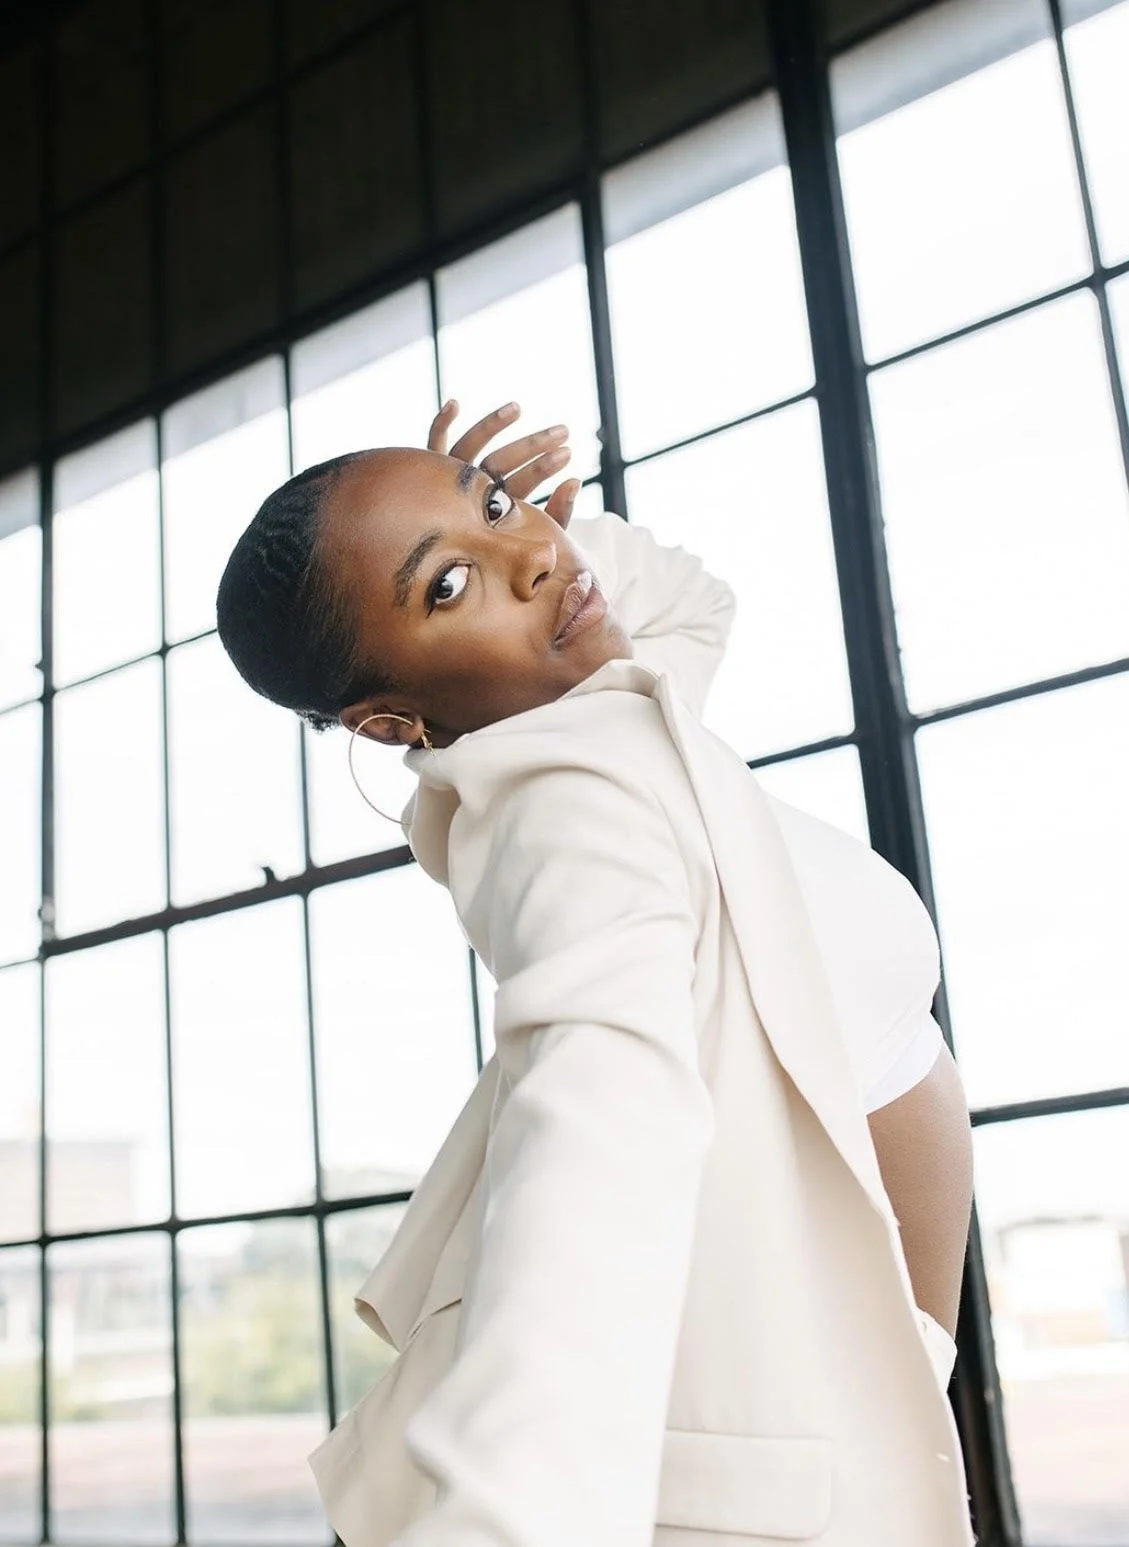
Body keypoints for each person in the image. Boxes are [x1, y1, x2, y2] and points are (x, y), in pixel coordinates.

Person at [216, 402, 977, 1547]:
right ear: (387, 720)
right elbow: (596, 1125)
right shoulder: (574, 802)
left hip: (845, 1350)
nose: (530, 559)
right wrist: (511, 1509)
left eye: (492, 502)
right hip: (773, 1417)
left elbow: (692, 599)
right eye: (445, 586)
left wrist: (546, 536)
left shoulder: (600, 703)